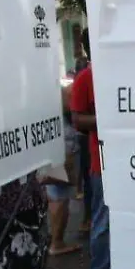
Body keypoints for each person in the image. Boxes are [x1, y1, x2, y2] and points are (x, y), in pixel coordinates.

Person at [69, 29, 110, 269]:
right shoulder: (85, 79)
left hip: (132, 161)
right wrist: (109, 119)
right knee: (103, 218)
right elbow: (77, 120)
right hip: (103, 163)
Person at [45, 79, 81, 257]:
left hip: (55, 144)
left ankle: (55, 239)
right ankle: (56, 242)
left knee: (55, 196)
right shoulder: (60, 90)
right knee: (59, 197)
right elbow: (69, 104)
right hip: (61, 146)